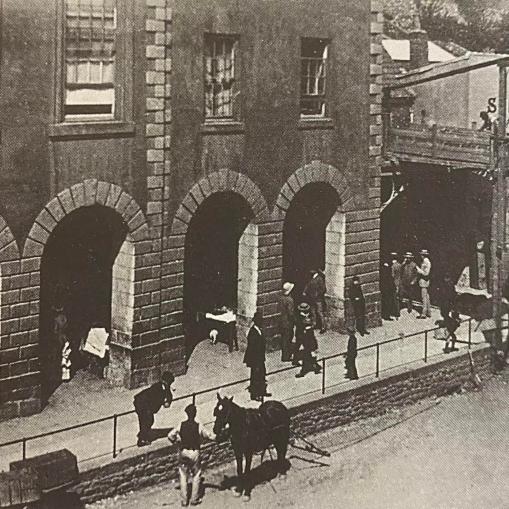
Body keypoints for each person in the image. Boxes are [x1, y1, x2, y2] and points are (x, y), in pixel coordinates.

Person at [168, 404, 216, 507]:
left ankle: (184, 501)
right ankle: (194, 499)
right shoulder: (199, 426)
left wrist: (176, 441)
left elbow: (170, 435)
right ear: (195, 414)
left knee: (183, 475)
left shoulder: (181, 425)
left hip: (183, 451)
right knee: (196, 475)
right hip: (194, 452)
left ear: (186, 414)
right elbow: (209, 435)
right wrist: (219, 437)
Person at [133, 371, 175, 446]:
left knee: (146, 421)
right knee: (147, 420)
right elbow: (161, 400)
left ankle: (143, 435)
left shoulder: (162, 386)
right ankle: (142, 440)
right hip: (143, 404)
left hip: (144, 404)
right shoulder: (159, 388)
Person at [243, 311, 271, 401]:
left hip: (260, 358)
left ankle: (262, 392)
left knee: (261, 375)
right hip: (255, 359)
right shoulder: (253, 332)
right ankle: (254, 394)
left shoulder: (259, 330)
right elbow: (253, 348)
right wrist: (256, 361)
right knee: (255, 376)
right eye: (259, 321)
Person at [295, 302, 321, 378]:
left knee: (309, 352)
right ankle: (312, 367)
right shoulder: (300, 316)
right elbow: (299, 326)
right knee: (307, 353)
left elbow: (313, 323)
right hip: (304, 337)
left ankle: (309, 368)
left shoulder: (309, 315)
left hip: (309, 336)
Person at [303, 269, 327, 333]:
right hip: (312, 298)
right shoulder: (311, 278)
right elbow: (307, 285)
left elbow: (323, 289)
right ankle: (314, 324)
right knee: (313, 312)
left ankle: (323, 327)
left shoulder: (319, 279)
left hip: (318, 299)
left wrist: (317, 294)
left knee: (319, 312)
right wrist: (305, 291)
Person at [279, 282, 295, 363]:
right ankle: (286, 355)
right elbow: (291, 313)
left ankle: (284, 354)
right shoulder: (289, 300)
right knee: (288, 338)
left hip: (281, 321)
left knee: (284, 338)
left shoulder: (281, 298)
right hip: (288, 322)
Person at [416, 249, 432, 319]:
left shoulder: (426, 262)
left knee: (424, 298)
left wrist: (418, 270)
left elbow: (426, 273)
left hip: (424, 281)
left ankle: (423, 313)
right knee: (427, 297)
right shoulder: (425, 261)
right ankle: (428, 312)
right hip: (425, 281)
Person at [391, 252, 402, 319]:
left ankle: (395, 313)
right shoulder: (399, 265)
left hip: (395, 283)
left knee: (394, 298)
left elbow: (392, 275)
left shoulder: (393, 266)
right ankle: (397, 313)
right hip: (399, 282)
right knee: (398, 298)